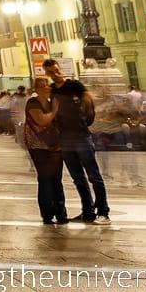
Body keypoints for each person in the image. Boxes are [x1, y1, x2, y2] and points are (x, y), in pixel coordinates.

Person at [44, 59, 108, 222]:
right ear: (47, 74)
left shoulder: (74, 85)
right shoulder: (50, 90)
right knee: (78, 178)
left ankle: (103, 211)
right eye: (51, 72)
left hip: (81, 136)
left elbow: (89, 103)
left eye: (56, 70)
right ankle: (87, 210)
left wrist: (85, 121)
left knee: (94, 176)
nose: (55, 74)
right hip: (65, 139)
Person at [19, 74, 67, 224]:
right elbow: (41, 120)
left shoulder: (51, 101)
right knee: (45, 178)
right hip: (38, 146)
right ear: (37, 88)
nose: (48, 87)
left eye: (48, 84)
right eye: (45, 85)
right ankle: (47, 213)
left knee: (56, 179)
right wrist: (54, 111)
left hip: (55, 145)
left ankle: (61, 213)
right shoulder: (33, 103)